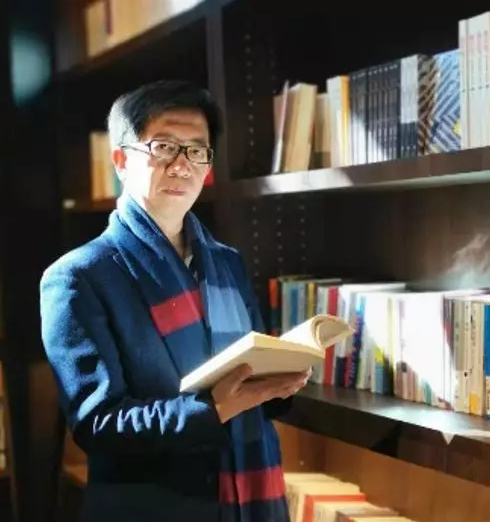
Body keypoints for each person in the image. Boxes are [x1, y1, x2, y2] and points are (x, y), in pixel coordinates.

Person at [39, 79, 310, 522]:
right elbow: (98, 425)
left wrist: (278, 384)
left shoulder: (227, 263)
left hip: (249, 499)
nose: (182, 165)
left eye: (197, 151)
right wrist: (216, 408)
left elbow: (251, 381)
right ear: (121, 160)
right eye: (164, 147)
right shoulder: (78, 277)